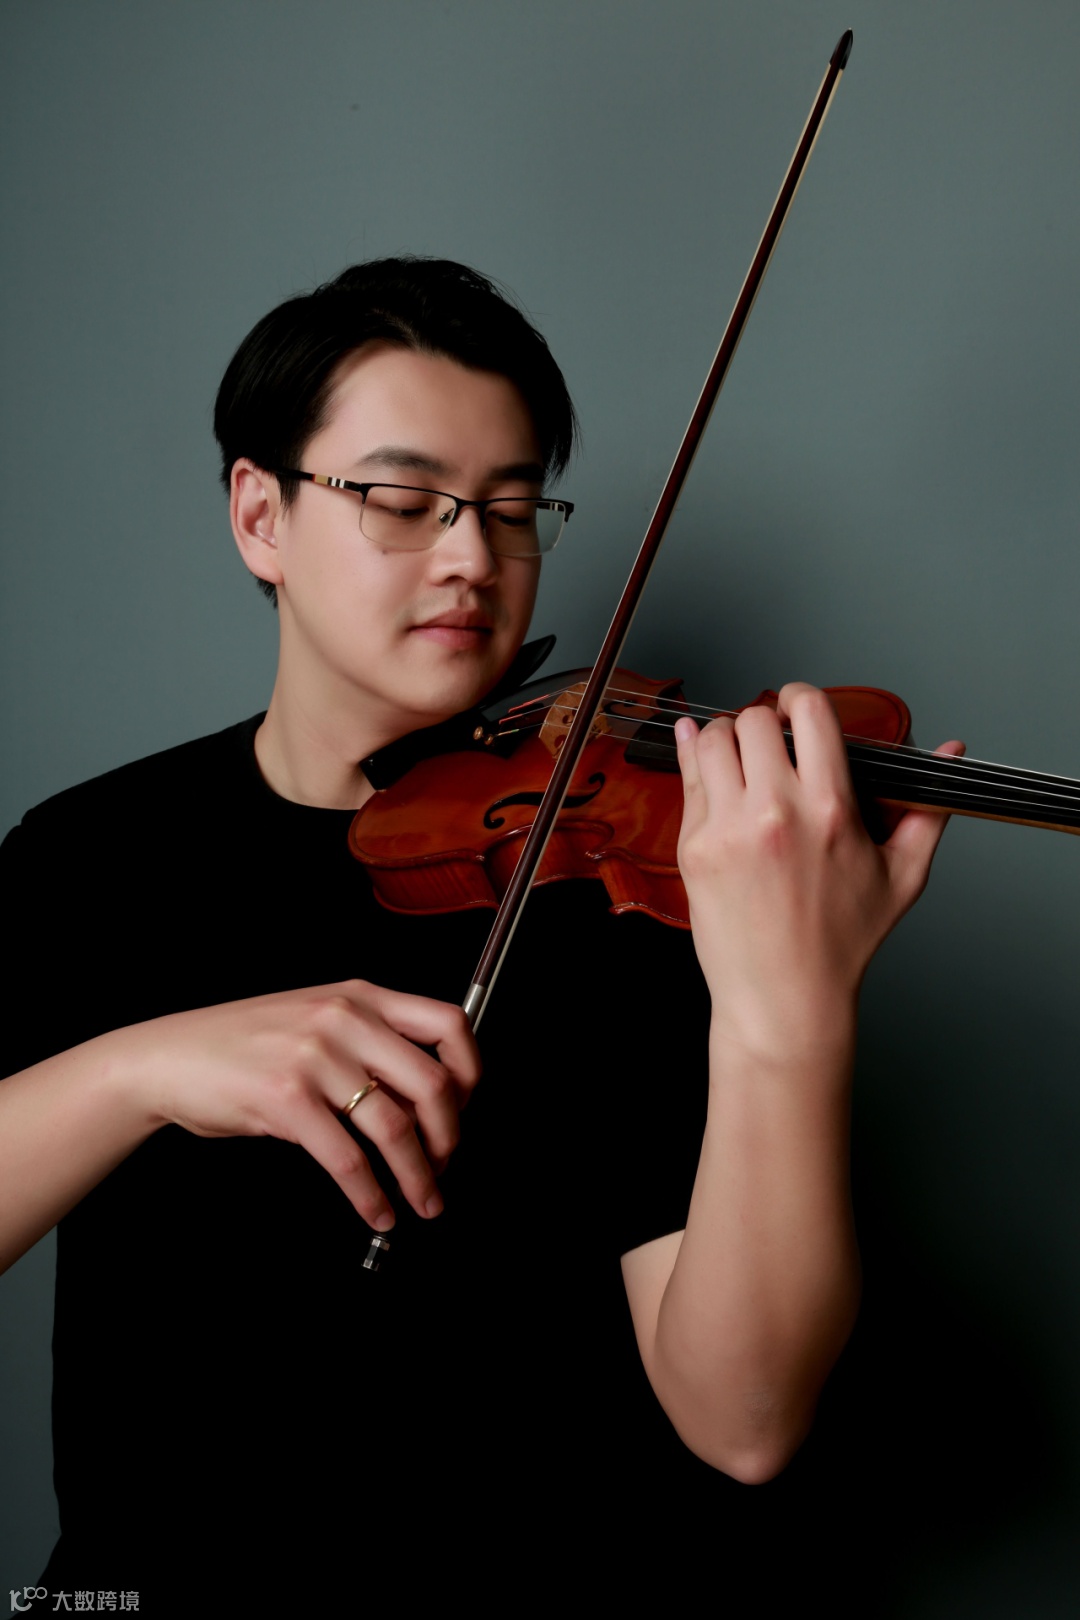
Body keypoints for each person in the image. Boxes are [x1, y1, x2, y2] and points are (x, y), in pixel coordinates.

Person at [0, 258, 961, 1609]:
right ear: (262, 516)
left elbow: (744, 1420)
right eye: (404, 504)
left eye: (512, 512)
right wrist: (139, 1069)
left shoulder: (624, 880)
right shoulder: (88, 854)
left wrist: (787, 1012)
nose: (471, 558)